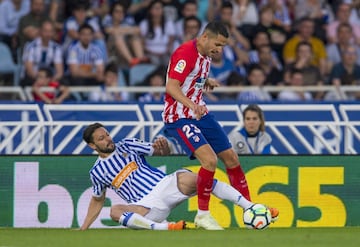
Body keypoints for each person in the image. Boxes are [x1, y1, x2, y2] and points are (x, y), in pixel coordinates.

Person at [162, 21, 278, 230]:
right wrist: (191, 104)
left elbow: (192, 78)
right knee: (209, 160)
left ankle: (250, 209)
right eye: (218, 44)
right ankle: (203, 215)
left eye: (223, 46)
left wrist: (206, 82)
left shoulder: (206, 55)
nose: (220, 50)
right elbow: (171, 86)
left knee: (232, 158)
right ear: (205, 37)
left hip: (200, 114)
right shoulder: (185, 53)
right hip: (179, 117)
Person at [80, 122, 275, 230]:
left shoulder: (127, 144)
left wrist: (163, 148)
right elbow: (98, 200)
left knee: (198, 179)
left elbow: (159, 151)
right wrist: (84, 228)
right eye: (101, 138)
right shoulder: (97, 172)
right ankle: (167, 228)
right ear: (92, 146)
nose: (108, 139)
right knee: (114, 211)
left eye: (106, 134)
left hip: (166, 184)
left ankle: (250, 207)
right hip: (145, 206)